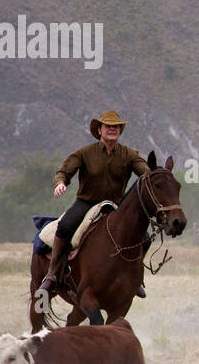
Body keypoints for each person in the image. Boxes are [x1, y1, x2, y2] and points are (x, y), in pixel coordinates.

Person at [39, 110, 150, 294]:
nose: (112, 129)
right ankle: (53, 272)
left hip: (115, 206)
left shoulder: (129, 155)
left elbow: (145, 173)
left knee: (144, 237)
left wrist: (154, 178)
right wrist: (60, 184)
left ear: (120, 131)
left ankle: (135, 276)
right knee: (65, 226)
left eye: (116, 127)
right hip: (86, 202)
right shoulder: (85, 153)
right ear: (99, 130)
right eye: (108, 126)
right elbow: (63, 173)